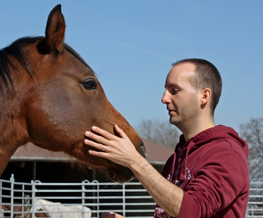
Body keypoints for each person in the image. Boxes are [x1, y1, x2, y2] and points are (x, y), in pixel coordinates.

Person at [84, 58, 250, 218]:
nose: (164, 98)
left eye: (174, 90)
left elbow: (193, 211)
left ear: (204, 96)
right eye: (166, 90)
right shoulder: (174, 160)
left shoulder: (227, 153)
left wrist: (134, 160)